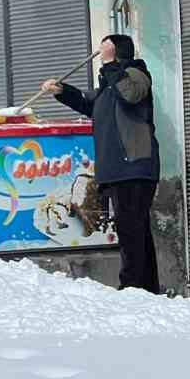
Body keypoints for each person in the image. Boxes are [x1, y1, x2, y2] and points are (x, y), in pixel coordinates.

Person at [43, 34, 160, 293]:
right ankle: (147, 288)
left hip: (134, 166)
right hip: (117, 170)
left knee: (131, 230)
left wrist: (109, 64)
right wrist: (63, 92)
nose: (100, 55)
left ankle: (132, 287)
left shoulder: (136, 74)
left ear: (116, 52)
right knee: (136, 230)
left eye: (105, 50)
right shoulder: (109, 87)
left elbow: (129, 95)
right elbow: (88, 103)